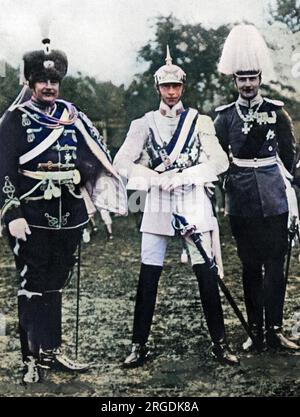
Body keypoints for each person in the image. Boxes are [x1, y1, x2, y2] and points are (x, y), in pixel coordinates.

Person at [0, 38, 127, 383]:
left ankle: (51, 351)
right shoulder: (14, 120)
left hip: (69, 214)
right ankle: (30, 358)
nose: (49, 86)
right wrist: (12, 213)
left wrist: (86, 178)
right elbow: (5, 168)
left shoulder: (73, 117)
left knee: (56, 283)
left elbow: (92, 157)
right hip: (32, 215)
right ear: (29, 83)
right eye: (42, 81)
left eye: (54, 81)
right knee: (32, 284)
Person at [114, 46, 239, 367]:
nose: (171, 92)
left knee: (205, 273)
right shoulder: (143, 123)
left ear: (182, 88)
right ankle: (138, 344)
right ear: (157, 88)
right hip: (157, 201)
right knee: (149, 273)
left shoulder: (200, 122)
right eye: (166, 87)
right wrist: (153, 179)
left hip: (191, 198)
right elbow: (121, 162)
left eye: (176, 86)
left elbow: (220, 161)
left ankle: (220, 343)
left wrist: (185, 174)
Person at [214, 25, 299, 352]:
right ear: (234, 81)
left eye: (252, 77)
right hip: (242, 203)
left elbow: (290, 156)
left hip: (275, 200)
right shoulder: (224, 118)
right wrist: (226, 189)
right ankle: (255, 330)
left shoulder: (276, 113)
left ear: (260, 78)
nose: (247, 84)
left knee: (275, 267)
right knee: (250, 267)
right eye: (241, 78)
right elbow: (218, 158)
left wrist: (288, 191)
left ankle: (276, 329)